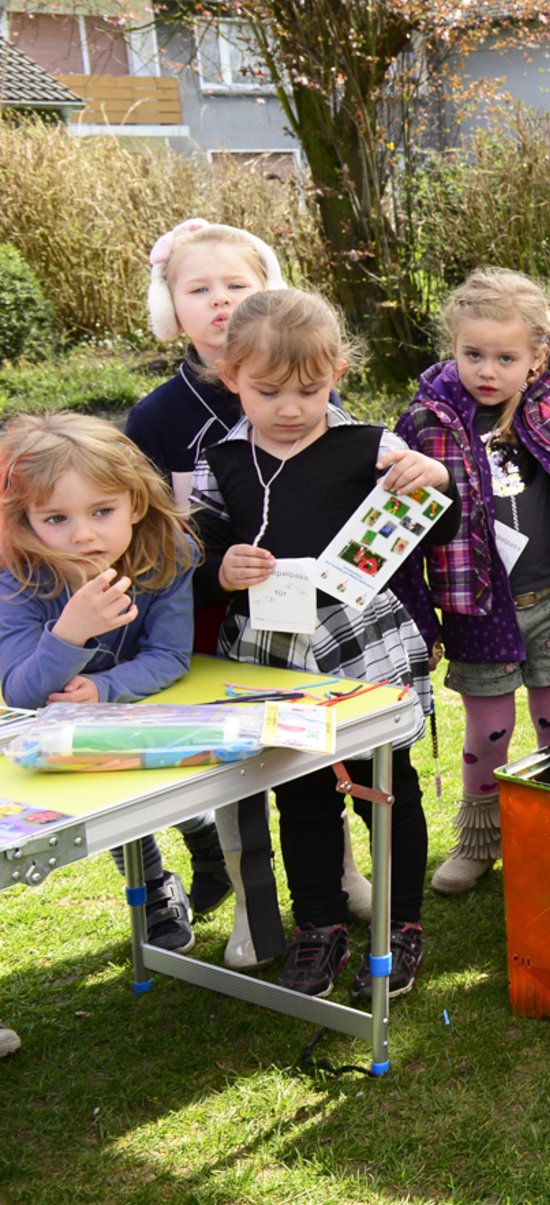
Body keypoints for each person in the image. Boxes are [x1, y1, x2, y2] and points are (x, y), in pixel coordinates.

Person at [191, 289, 456, 999]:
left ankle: (401, 925)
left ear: (336, 372)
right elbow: (197, 552)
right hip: (271, 649)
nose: (290, 408)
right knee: (302, 793)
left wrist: (441, 478)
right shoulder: (222, 460)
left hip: (360, 640)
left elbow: (436, 521)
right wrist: (219, 569)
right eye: (268, 391)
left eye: (309, 390)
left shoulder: (371, 446)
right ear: (231, 377)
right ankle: (319, 924)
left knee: (386, 789)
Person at [124, 218, 363, 967]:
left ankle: (342, 874)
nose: (220, 301)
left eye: (237, 284)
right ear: (170, 306)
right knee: (237, 760)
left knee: (315, 752)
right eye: (199, 289)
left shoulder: (308, 381)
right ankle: (251, 901)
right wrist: (209, 568)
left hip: (311, 620)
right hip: (205, 612)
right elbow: (145, 525)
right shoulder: (156, 416)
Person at [398, 269, 550, 894]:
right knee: (489, 731)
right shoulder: (427, 421)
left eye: (506, 357)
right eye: (473, 354)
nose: (487, 370)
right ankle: (481, 840)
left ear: (535, 357)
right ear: (453, 348)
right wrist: (422, 621)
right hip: (479, 607)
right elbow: (402, 532)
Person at [0, 413, 203, 954]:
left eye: (102, 511)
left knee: (173, 785)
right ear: (26, 521)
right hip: (70, 732)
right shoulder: (17, 578)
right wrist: (71, 631)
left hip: (154, 711)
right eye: (56, 518)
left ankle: (202, 833)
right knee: (112, 798)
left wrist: (104, 688)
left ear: (134, 503)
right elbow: (20, 691)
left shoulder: (168, 554)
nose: (83, 534)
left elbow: (168, 655)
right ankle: (152, 886)